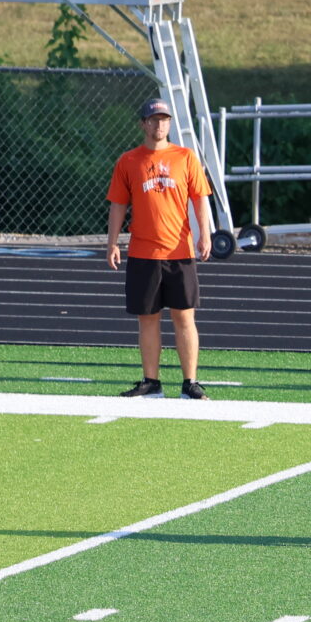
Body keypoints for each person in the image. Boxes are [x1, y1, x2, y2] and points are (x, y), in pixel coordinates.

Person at [104, 96, 214, 400]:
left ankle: (190, 382)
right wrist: (112, 243)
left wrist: (205, 235)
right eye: (154, 120)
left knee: (184, 317)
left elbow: (200, 198)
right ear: (143, 124)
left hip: (179, 251)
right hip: (143, 252)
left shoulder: (185, 157)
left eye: (164, 120)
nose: (159, 125)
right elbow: (118, 204)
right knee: (148, 319)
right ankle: (151, 381)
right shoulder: (129, 161)